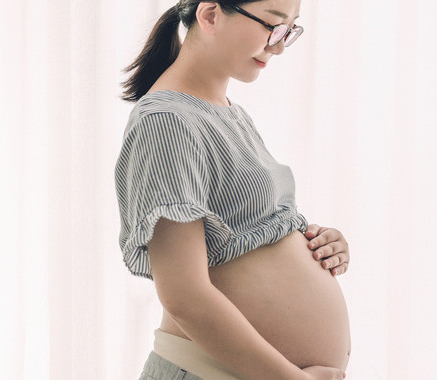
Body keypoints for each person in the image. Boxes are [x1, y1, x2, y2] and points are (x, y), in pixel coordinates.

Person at [114, 1, 351, 379]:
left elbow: (243, 236)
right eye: (273, 26)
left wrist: (319, 244)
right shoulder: (167, 123)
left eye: (289, 30)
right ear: (210, 15)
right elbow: (184, 296)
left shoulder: (225, 111)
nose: (278, 46)